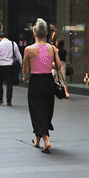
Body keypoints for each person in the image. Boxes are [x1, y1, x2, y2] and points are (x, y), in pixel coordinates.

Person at [22, 18, 61, 153]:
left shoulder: (29, 50)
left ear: (34, 33)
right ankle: (37, 140)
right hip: (49, 81)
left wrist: (26, 77)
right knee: (46, 109)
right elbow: (59, 66)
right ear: (46, 34)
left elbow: (25, 69)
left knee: (36, 110)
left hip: (36, 81)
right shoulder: (52, 48)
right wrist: (48, 64)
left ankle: (46, 139)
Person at [0, 32, 22, 106]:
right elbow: (18, 55)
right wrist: (21, 64)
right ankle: (9, 100)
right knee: (9, 84)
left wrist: (0, 55)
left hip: (0, 66)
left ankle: (0, 99)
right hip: (10, 66)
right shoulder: (13, 44)